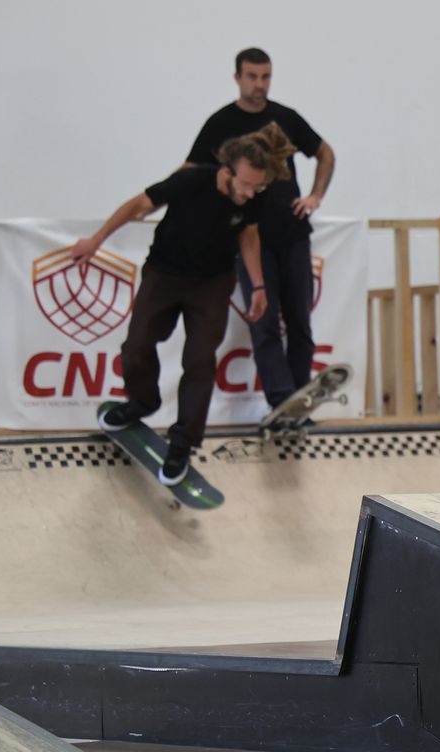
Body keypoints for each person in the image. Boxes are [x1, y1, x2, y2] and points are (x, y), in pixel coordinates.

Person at [73, 124, 292, 484]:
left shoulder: (255, 196)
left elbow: (248, 233)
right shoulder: (190, 182)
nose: (251, 193)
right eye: (246, 185)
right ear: (227, 171)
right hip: (164, 274)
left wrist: (259, 286)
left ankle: (182, 444)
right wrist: (96, 241)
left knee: (200, 360)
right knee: (137, 345)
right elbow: (137, 205)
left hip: (212, 282)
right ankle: (142, 402)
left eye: (259, 186)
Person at [186, 47, 335, 413]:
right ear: (237, 78)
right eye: (252, 77)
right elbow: (190, 170)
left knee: (299, 322)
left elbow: (325, 153)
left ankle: (300, 401)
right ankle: (280, 400)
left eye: (265, 76)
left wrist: (315, 196)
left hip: (293, 233)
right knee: (264, 322)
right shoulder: (221, 123)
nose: (259, 84)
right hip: (249, 237)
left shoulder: (285, 117)